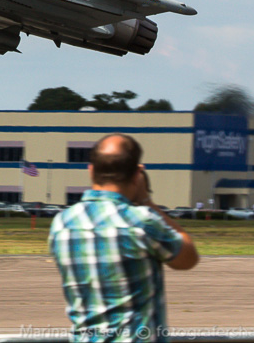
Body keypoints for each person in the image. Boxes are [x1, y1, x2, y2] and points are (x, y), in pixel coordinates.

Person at [49, 134, 198, 341]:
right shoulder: (141, 222)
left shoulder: (62, 224)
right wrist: (147, 201)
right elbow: (188, 257)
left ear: (91, 170)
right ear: (138, 175)